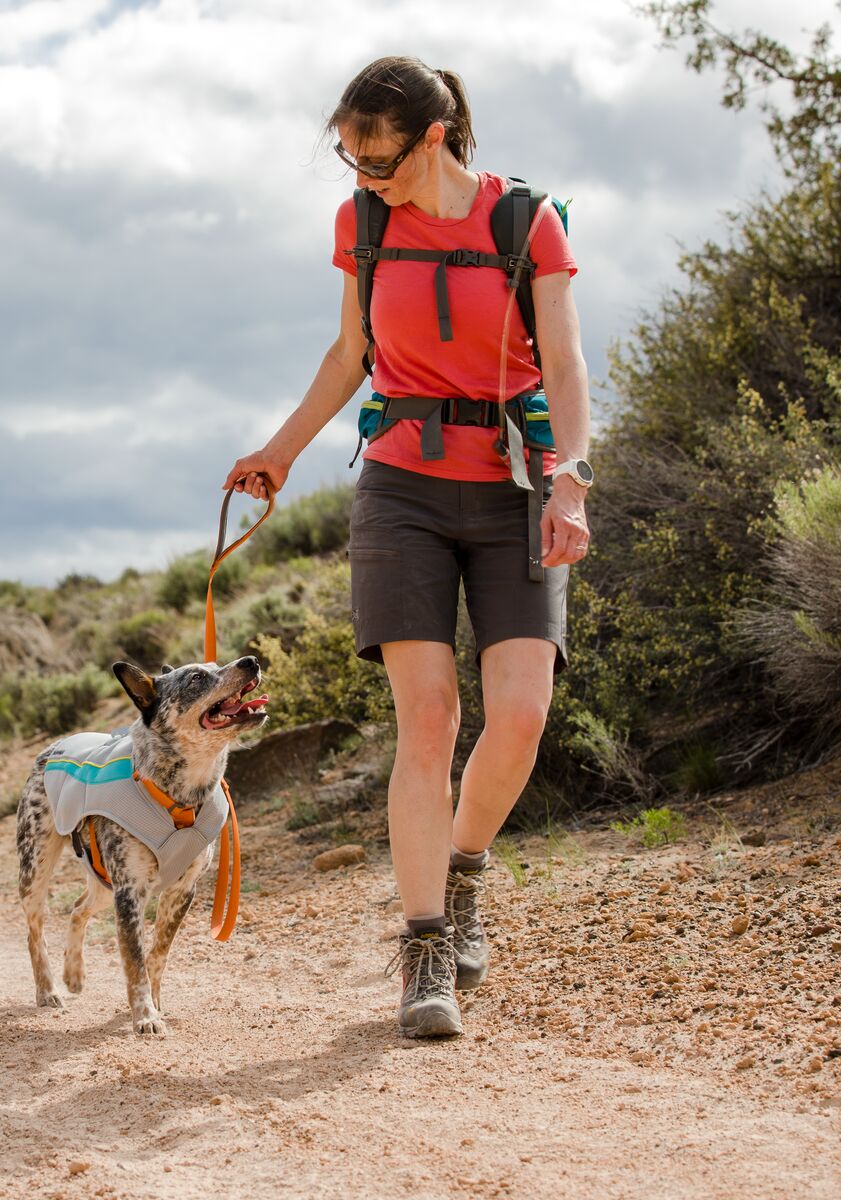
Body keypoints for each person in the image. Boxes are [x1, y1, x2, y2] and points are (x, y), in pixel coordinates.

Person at [223, 56, 593, 1039]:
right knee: (427, 718)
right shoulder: (365, 223)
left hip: (516, 484)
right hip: (403, 488)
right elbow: (352, 353)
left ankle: (463, 867)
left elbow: (563, 363)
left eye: (376, 160)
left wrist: (573, 477)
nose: (361, 178)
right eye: (348, 158)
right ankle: (424, 948)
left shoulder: (526, 223)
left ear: (433, 138)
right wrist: (280, 450)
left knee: (519, 718)